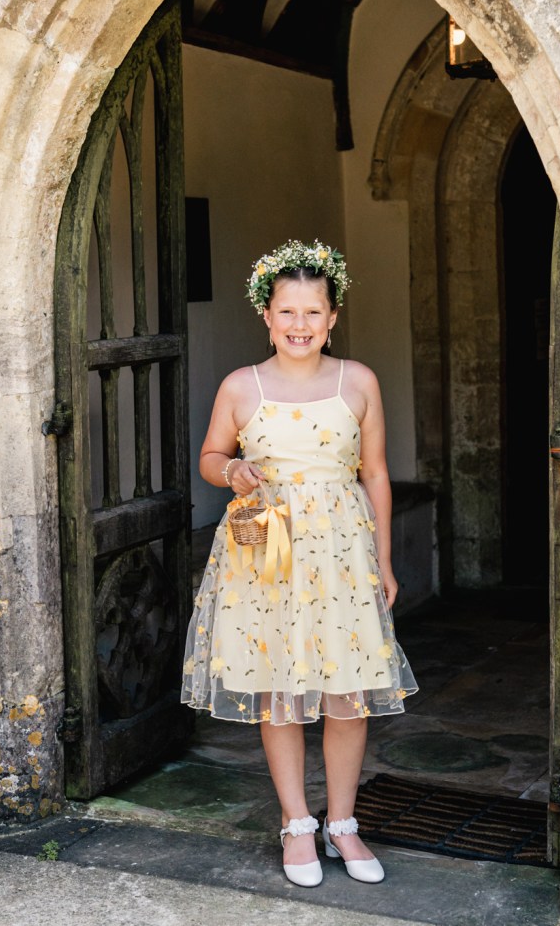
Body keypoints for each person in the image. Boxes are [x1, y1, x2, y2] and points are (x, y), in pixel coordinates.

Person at [182, 240, 418, 887]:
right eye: (287, 311)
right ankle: (296, 823)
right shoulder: (240, 385)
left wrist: (384, 559)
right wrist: (230, 468)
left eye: (312, 312)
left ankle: (342, 822)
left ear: (332, 316)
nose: (299, 325)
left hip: (342, 554)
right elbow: (207, 456)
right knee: (278, 691)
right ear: (266, 313)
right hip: (265, 552)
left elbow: (374, 474)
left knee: (348, 693)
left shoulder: (358, 381)